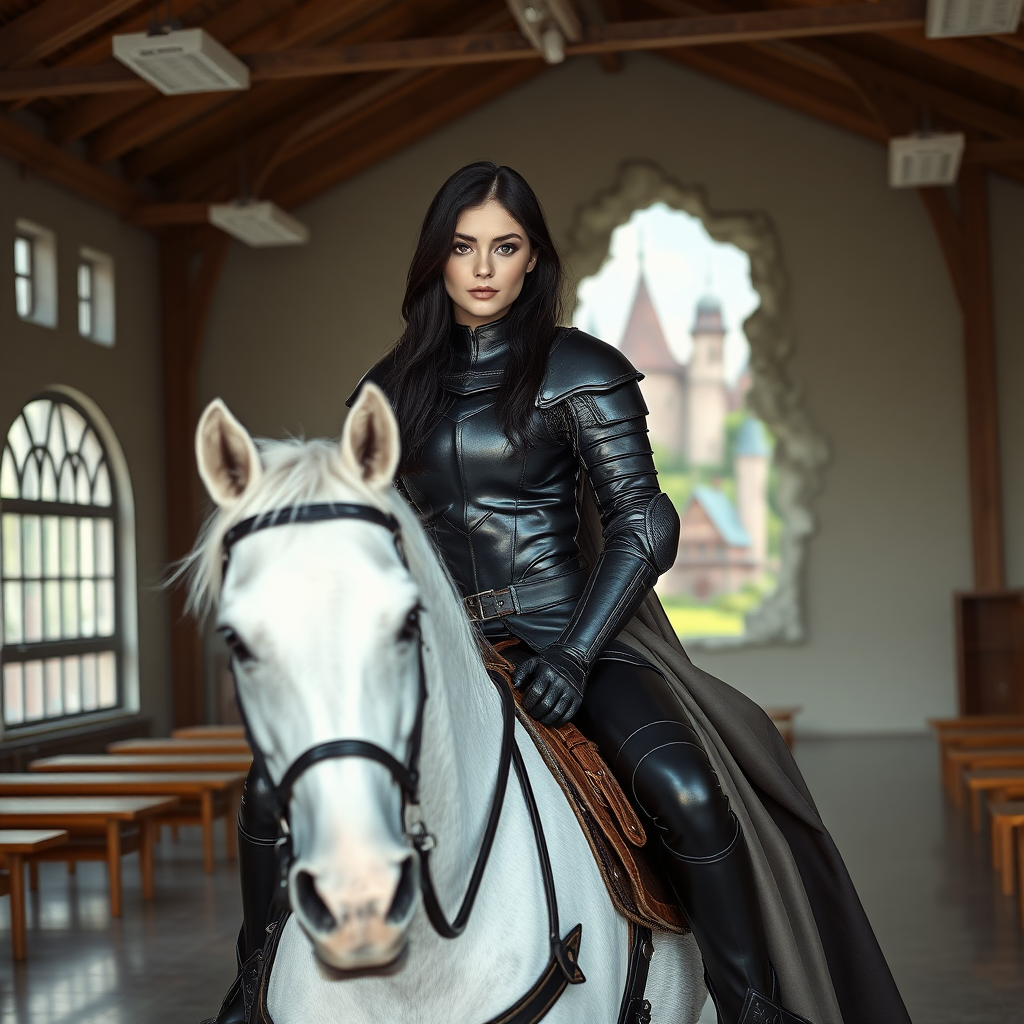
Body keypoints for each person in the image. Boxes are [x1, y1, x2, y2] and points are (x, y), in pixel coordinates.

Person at [206, 162, 911, 1024]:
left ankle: (749, 1004)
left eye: (505, 247)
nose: (483, 267)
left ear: (534, 258)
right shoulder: (386, 391)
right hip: (435, 647)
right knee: (266, 793)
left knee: (685, 789)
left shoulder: (581, 367)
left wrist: (576, 654)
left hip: (576, 637)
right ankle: (250, 987)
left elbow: (645, 523)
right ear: (437, 259)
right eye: (463, 248)